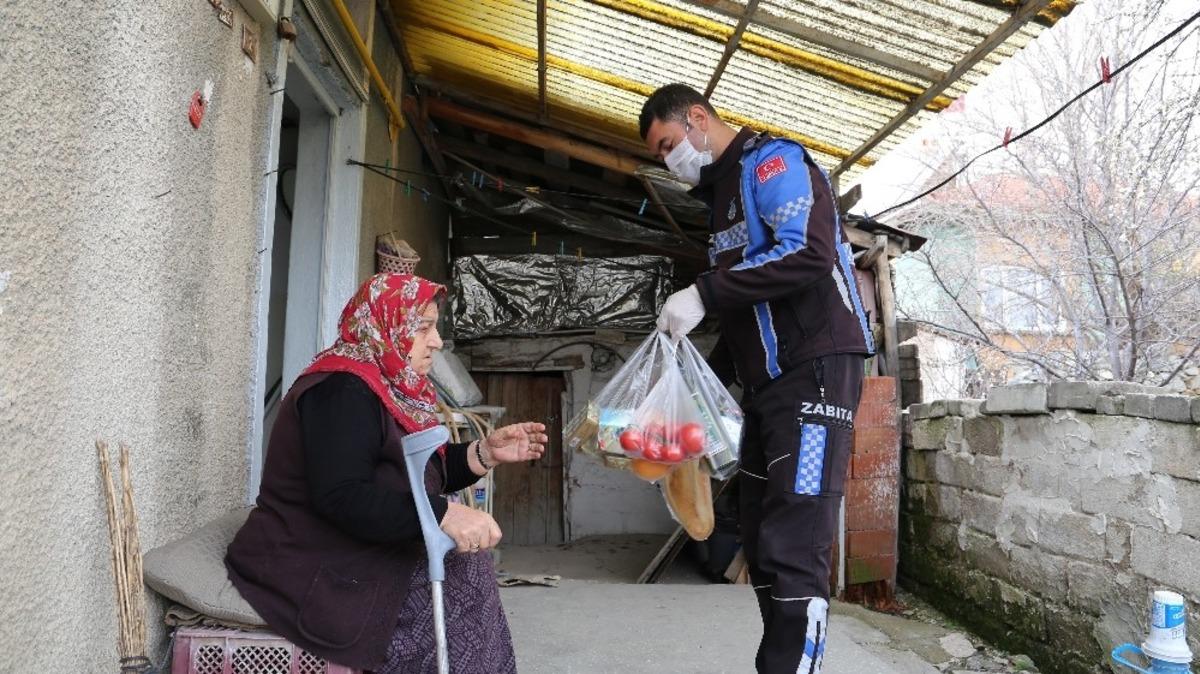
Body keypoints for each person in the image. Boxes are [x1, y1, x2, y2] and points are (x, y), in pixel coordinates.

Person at [639, 84, 874, 674]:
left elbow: (808, 253)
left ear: (697, 117)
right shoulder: (720, 199)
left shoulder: (772, 164)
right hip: (768, 387)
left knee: (795, 542)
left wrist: (704, 292)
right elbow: (747, 310)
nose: (668, 160)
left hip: (817, 373)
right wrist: (693, 382)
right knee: (763, 539)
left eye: (668, 144)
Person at [226, 273, 548, 674]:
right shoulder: (341, 390)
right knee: (459, 579)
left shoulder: (388, 385)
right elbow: (343, 497)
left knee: (467, 566)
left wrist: (484, 453)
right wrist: (443, 514)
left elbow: (417, 472)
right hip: (312, 553)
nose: (436, 341)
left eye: (435, 327)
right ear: (385, 324)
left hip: (360, 541)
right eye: (423, 327)